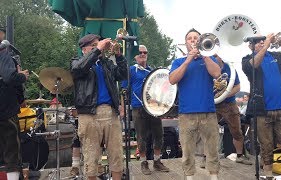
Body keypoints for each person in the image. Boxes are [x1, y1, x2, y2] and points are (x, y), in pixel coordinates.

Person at [242, 33, 281, 180]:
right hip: (262, 113)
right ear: (251, 46)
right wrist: (267, 44)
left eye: (263, 41)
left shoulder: (277, 56)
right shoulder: (247, 59)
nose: (262, 43)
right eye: (257, 42)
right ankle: (268, 176)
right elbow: (253, 66)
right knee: (266, 148)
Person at [70, 34, 127, 180]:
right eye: (94, 45)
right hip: (89, 114)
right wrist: (98, 50)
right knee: (91, 157)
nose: (99, 47)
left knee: (116, 154)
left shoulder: (106, 63)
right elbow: (78, 70)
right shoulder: (76, 61)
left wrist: (119, 56)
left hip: (110, 113)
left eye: (98, 44)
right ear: (84, 49)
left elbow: (123, 74)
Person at [169, 28, 221, 180]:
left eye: (195, 38)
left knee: (212, 149)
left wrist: (205, 56)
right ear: (185, 43)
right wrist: (188, 60)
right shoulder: (178, 62)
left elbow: (217, 73)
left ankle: (214, 176)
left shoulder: (208, 59)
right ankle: (190, 177)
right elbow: (172, 79)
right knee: (187, 151)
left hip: (208, 112)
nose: (192, 40)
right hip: (186, 113)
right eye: (190, 38)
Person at [120, 45, 170, 175]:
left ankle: (157, 161)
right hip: (138, 107)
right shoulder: (131, 70)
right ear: (135, 56)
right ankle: (143, 162)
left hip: (154, 108)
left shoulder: (153, 71)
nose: (142, 54)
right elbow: (123, 90)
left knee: (158, 135)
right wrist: (122, 108)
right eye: (140, 52)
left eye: (145, 52)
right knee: (141, 137)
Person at [0, 26, 29, 180]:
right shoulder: (3, 53)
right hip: (5, 110)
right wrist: (22, 76)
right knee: (12, 150)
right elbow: (10, 78)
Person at [214, 55, 252, 165]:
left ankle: (239, 155)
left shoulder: (230, 68)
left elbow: (237, 87)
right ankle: (207, 157)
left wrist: (223, 96)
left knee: (236, 130)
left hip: (229, 103)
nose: (214, 56)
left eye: (216, 55)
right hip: (212, 104)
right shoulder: (207, 66)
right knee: (209, 131)